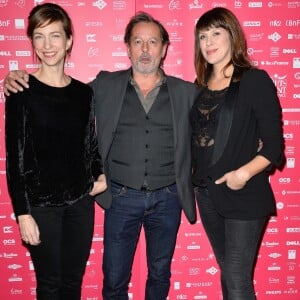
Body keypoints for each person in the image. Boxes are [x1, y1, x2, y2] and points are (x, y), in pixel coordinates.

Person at [4, 11, 199, 300]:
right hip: (121, 199)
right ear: (127, 47)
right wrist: (13, 76)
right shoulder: (104, 86)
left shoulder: (188, 92)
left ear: (165, 48)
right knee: (114, 279)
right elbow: (60, 98)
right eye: (137, 42)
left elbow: (217, 121)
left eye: (152, 42)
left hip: (168, 198)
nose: (145, 49)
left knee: (160, 274)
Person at [5, 3, 107, 300]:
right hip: (40, 207)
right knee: (49, 286)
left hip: (80, 205)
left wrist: (98, 173)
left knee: (72, 284)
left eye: (55, 36)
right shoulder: (21, 91)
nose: (47, 45)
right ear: (32, 42)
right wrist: (23, 214)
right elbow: (16, 158)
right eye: (39, 36)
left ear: (69, 41)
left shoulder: (82, 93)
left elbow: (91, 143)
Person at [190, 7, 284, 300]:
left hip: (243, 192)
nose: (209, 42)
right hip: (206, 193)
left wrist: (242, 174)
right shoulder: (200, 87)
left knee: (236, 278)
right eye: (203, 36)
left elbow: (274, 147)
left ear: (232, 35)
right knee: (229, 273)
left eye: (216, 33)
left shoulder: (254, 80)